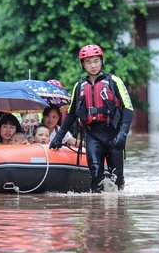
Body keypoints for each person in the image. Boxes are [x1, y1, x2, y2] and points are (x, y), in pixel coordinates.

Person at [49, 44, 133, 192]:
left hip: (113, 134)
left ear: (101, 61)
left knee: (117, 177)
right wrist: (58, 137)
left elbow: (128, 108)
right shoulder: (79, 85)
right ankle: (97, 212)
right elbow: (70, 115)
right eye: (88, 62)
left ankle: (118, 209)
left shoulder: (114, 81)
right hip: (93, 135)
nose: (93, 65)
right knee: (95, 173)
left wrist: (123, 133)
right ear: (83, 65)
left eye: (96, 61)